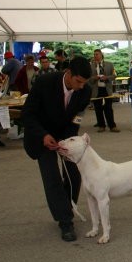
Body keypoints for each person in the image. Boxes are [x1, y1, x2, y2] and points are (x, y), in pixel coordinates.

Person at [22, 56, 92, 242]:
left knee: (74, 174)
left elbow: (76, 120)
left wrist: (65, 141)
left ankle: (68, 207)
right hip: (40, 137)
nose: (81, 87)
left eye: (84, 83)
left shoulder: (86, 92)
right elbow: (27, 114)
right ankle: (65, 221)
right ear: (68, 74)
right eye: (78, 81)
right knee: (52, 177)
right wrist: (44, 136)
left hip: (64, 136)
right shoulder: (44, 82)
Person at [89, 49, 119, 132]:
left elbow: (114, 75)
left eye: (97, 54)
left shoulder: (110, 64)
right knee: (98, 109)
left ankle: (112, 126)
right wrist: (94, 78)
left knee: (108, 108)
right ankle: (101, 125)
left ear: (101, 55)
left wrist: (107, 77)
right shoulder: (90, 66)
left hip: (107, 89)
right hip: (96, 90)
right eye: (94, 54)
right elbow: (88, 79)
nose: (95, 56)